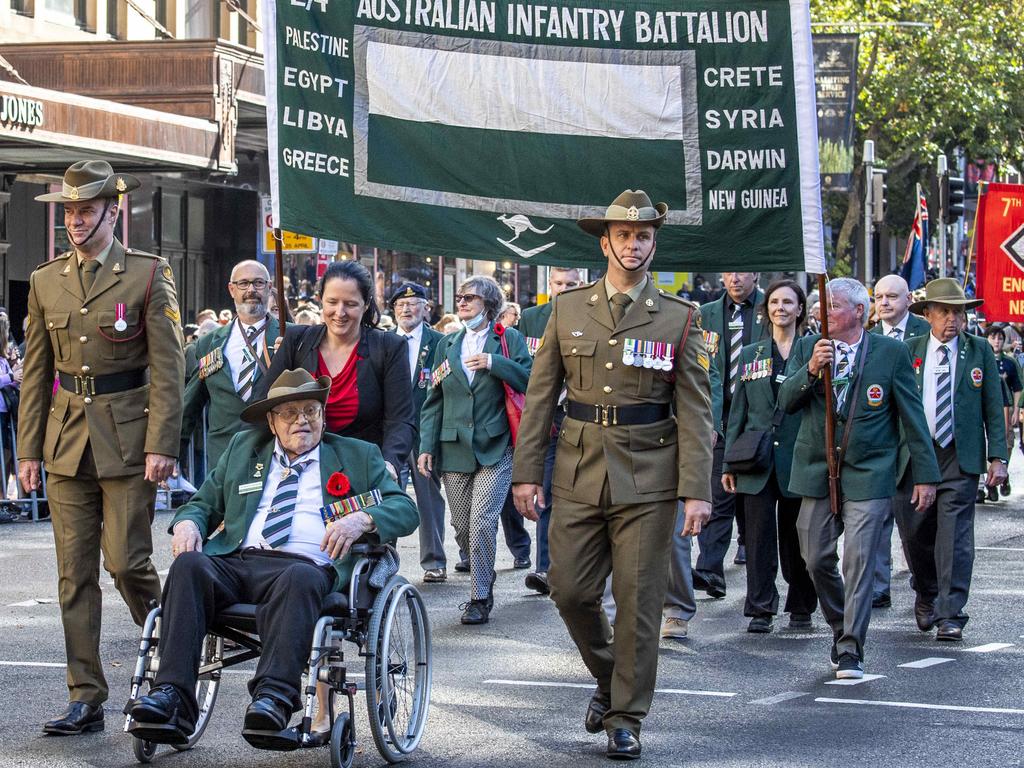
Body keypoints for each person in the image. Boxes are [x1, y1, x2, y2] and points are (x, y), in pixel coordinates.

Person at [512, 190, 713, 760]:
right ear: (606, 243)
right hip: (577, 468)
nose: (633, 244)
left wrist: (695, 489)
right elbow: (541, 395)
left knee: (638, 602)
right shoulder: (568, 308)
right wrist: (527, 474)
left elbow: (697, 410)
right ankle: (608, 679)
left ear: (654, 244)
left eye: (643, 236)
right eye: (623, 236)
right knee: (569, 589)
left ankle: (626, 715)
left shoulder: (679, 318)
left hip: (649, 475)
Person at [127, 369, 418, 744]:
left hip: (306, 567)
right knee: (189, 566)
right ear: (271, 421)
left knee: (300, 577)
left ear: (323, 415)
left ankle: (274, 699)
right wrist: (188, 524)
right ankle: (172, 697)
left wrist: (362, 519)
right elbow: (202, 504)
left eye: (311, 411)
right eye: (289, 413)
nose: (302, 420)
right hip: (239, 561)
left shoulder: (358, 455)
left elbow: (404, 509)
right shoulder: (243, 449)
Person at [17, 160, 185, 734]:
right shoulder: (45, 280)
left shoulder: (146, 274)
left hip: (128, 440)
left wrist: (163, 443)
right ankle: (86, 695)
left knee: (126, 561)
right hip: (65, 441)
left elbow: (168, 367)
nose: (75, 221)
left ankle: (173, 665)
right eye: (69, 211)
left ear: (113, 212)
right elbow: (36, 373)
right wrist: (28, 452)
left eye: (86, 210)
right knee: (73, 575)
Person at [778, 277, 939, 680]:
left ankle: (851, 647)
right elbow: (785, 403)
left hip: (870, 471)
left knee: (860, 560)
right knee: (815, 557)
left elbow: (912, 418)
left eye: (832, 306)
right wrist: (812, 370)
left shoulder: (891, 353)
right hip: (817, 469)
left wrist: (924, 475)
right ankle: (839, 626)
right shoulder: (806, 347)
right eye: (821, 305)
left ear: (858, 312)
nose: (822, 311)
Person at [894, 280, 1007, 642]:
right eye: (944, 311)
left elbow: (992, 405)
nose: (952, 319)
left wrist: (998, 457)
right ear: (927, 315)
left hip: (960, 455)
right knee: (915, 532)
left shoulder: (978, 351)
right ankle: (927, 591)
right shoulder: (907, 351)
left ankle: (951, 612)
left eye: (958, 312)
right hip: (914, 456)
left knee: (955, 538)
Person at [418, 275, 531, 625]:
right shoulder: (447, 344)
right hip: (453, 446)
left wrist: (494, 364)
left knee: (482, 521)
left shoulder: (508, 339)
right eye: (460, 297)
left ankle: (479, 597)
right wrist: (426, 445)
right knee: (463, 525)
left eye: (471, 297)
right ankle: (484, 571)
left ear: (489, 304)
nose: (462, 302)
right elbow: (433, 399)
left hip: (495, 444)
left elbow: (530, 379)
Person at [255, 260, 414, 479]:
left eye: (350, 303)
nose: (340, 312)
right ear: (320, 300)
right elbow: (264, 403)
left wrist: (389, 464)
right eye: (332, 302)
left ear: (366, 304)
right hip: (299, 470)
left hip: (364, 470)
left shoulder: (389, 348)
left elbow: (400, 420)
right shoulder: (296, 341)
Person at [722, 280, 817, 633]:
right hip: (757, 460)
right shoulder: (751, 354)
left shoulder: (812, 351)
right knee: (758, 539)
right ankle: (760, 608)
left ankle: (801, 605)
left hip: (799, 458)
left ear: (799, 310)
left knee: (798, 539)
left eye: (788, 302)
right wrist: (729, 462)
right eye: (775, 302)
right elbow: (739, 411)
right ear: (767, 310)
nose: (780, 308)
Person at [693, 271, 769, 597]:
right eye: (729, 274)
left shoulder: (772, 307)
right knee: (716, 495)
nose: (735, 279)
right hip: (720, 417)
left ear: (756, 275)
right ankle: (710, 571)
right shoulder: (707, 314)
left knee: (750, 498)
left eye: (742, 273)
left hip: (758, 417)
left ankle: (752, 558)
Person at [180, 260, 283, 475]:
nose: (251, 290)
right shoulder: (208, 344)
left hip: (275, 454)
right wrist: (171, 453)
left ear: (269, 287)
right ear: (231, 289)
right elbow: (191, 404)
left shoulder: (290, 337)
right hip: (224, 458)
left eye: (258, 283)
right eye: (243, 283)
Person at [515, 266, 582, 594]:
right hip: (549, 417)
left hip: (583, 416)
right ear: (549, 285)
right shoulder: (531, 318)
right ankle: (544, 567)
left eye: (571, 284)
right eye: (558, 283)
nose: (564, 289)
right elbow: (527, 369)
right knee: (544, 491)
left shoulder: (589, 312)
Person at [866, 273, 932, 608]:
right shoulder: (867, 337)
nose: (885, 303)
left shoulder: (926, 332)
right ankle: (878, 584)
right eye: (879, 297)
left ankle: (924, 586)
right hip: (879, 442)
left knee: (915, 526)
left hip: (914, 443)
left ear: (909, 300)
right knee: (875, 518)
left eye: (893, 296)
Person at [390, 282, 448, 583]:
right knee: (388, 495)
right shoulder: (386, 341)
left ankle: (434, 561)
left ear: (426, 308)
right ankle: (384, 560)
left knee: (427, 497)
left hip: (424, 430)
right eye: (400, 305)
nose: (406, 310)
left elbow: (441, 390)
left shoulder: (438, 342)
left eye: (412, 304)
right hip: (392, 431)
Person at [985, 325, 1021, 498]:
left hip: (1006, 407)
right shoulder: (981, 359)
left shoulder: (1010, 362)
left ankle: (1003, 474)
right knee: (984, 445)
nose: (997, 341)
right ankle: (988, 481)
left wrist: (1016, 409)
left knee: (1007, 443)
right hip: (985, 409)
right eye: (993, 337)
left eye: (1000, 338)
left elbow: (1017, 387)